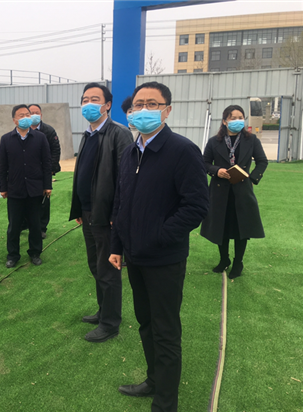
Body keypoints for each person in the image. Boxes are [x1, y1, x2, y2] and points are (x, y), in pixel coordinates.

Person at [109, 81, 209, 411]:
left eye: (152, 104)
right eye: (138, 105)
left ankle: (166, 402)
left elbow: (196, 206)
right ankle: (154, 380)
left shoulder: (182, 150)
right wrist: (117, 245)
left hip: (164, 259)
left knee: (165, 331)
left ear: (167, 110)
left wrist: (159, 236)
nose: (143, 110)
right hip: (135, 256)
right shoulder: (130, 152)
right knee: (146, 323)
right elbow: (121, 202)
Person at [69, 82, 133, 343]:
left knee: (108, 270)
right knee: (96, 266)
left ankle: (110, 323)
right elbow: (83, 175)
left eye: (94, 99)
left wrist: (116, 214)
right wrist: (79, 207)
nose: (88, 104)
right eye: (85, 99)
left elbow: (125, 179)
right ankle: (103, 310)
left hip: (107, 216)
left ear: (107, 105)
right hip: (89, 212)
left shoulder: (119, 134)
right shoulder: (88, 134)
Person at [200, 104, 267, 279]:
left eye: (240, 118)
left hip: (242, 191)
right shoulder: (214, 141)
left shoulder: (251, 140)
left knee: (241, 228)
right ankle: (224, 259)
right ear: (224, 121)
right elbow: (204, 162)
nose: (237, 121)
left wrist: (251, 178)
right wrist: (216, 171)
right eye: (233, 118)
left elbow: (262, 161)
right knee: (220, 227)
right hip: (219, 192)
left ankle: (238, 262)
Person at [0, 104, 52, 268]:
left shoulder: (40, 138)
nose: (25, 118)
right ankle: (13, 255)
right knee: (14, 225)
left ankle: (35, 253)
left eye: (27, 114)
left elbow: (46, 163)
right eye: (21, 115)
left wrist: (47, 185)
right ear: (14, 120)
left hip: (35, 189)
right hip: (15, 189)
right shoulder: (6, 139)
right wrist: (3, 187)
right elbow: (2, 166)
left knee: (35, 224)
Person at [28, 104, 61, 239]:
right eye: (31, 112)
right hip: (27, 173)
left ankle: (41, 228)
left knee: (43, 201)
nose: (34, 115)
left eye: (37, 112)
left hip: (43, 172)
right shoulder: (22, 130)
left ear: (41, 115)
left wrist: (51, 170)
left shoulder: (49, 131)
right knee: (25, 200)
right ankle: (24, 224)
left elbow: (55, 151)